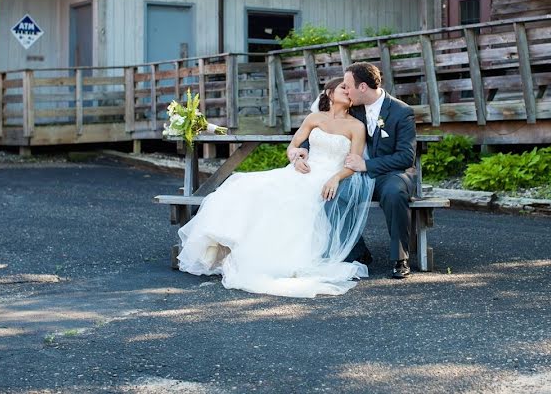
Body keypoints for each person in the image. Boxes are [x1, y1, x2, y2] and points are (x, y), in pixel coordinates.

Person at [176, 77, 375, 298]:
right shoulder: (314, 118)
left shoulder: (356, 126)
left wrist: (336, 178)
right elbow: (294, 146)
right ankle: (229, 248)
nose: (348, 91)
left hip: (327, 177)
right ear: (329, 93)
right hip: (302, 171)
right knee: (244, 186)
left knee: (293, 202)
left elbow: (354, 163)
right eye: (343, 87)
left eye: (350, 89)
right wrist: (296, 157)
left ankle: (272, 257)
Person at [292, 62, 417, 279]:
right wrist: (301, 150)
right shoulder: (352, 107)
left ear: (362, 88)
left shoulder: (401, 111)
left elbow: (406, 157)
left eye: (348, 85)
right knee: (333, 194)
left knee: (394, 194)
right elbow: (323, 132)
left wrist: (367, 165)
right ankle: (356, 250)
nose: (346, 90)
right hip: (355, 174)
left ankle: (400, 258)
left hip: (389, 174)